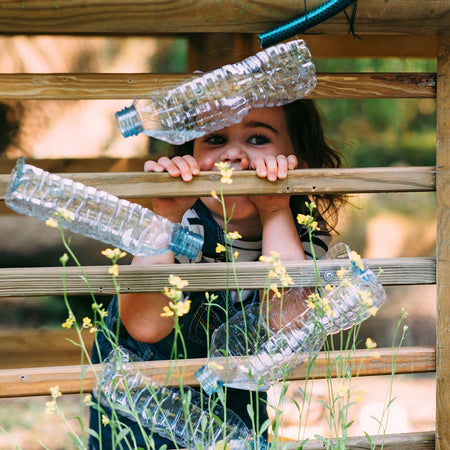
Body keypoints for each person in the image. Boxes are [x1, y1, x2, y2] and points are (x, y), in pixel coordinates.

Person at [89, 99, 345, 449]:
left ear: (298, 159)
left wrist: (274, 210)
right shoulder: (180, 222)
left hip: (232, 409)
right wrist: (164, 217)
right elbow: (146, 327)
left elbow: (284, 325)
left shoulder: (302, 234)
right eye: (213, 139)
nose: (232, 155)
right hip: (140, 407)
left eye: (257, 139)